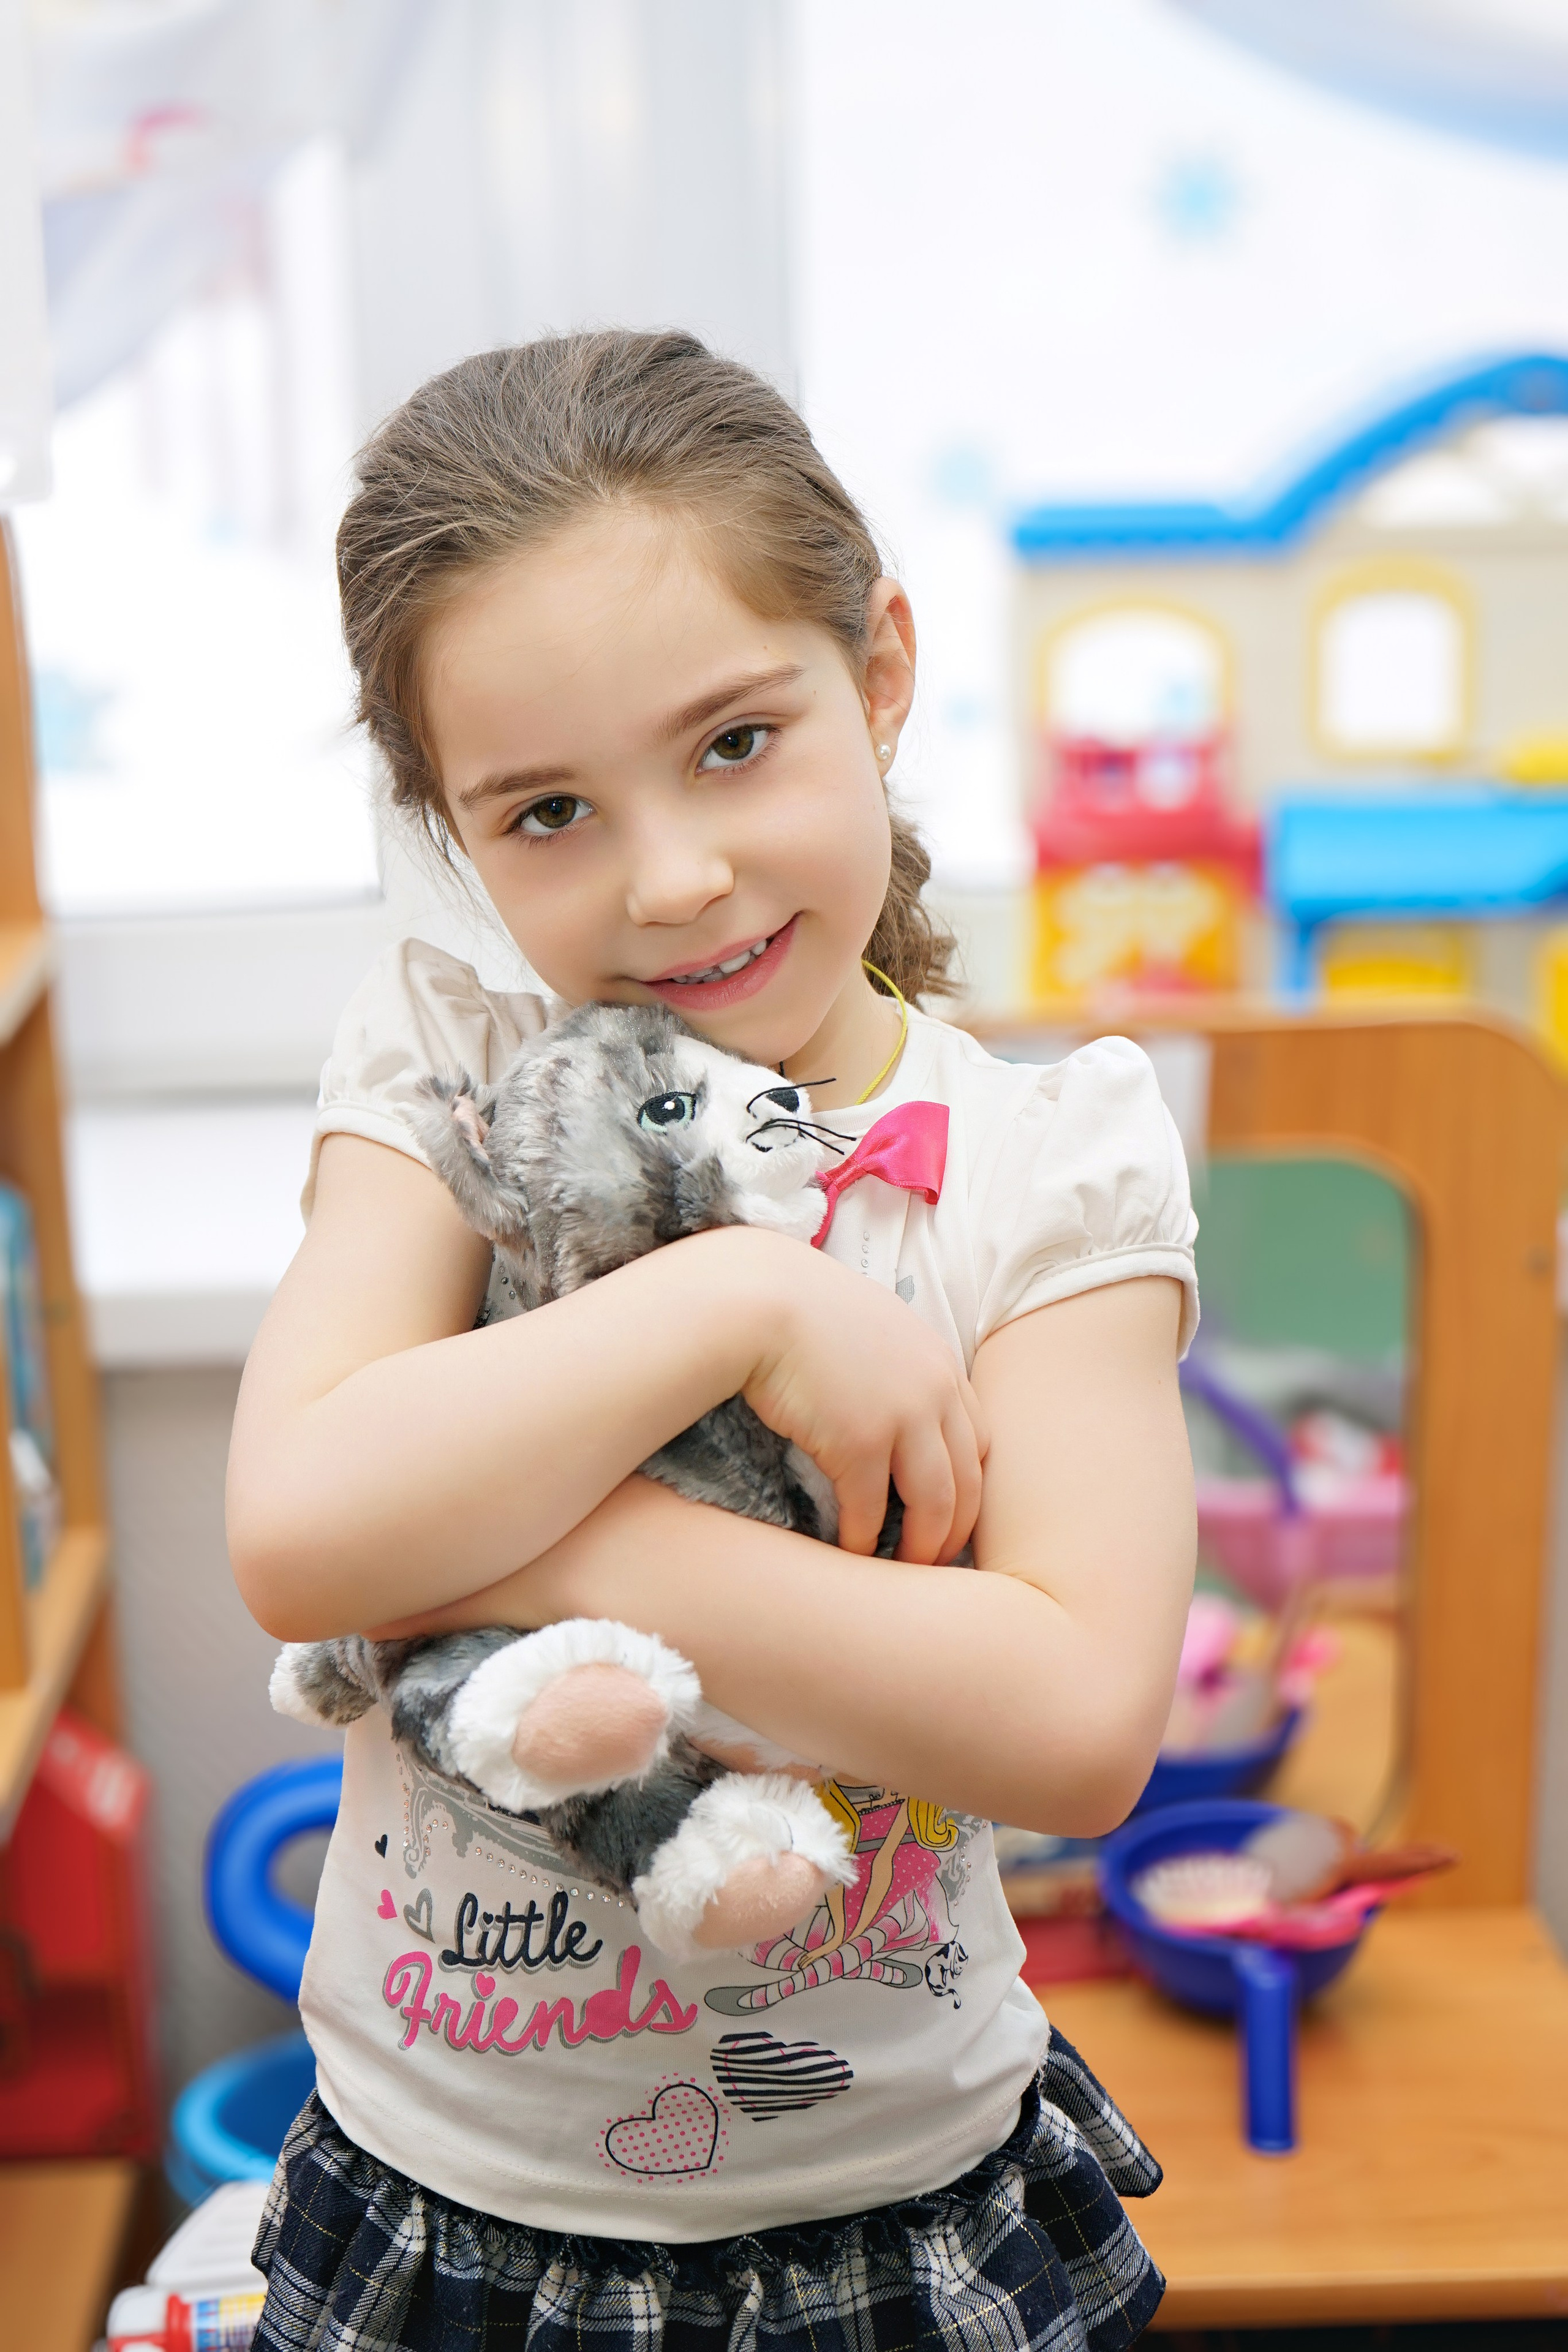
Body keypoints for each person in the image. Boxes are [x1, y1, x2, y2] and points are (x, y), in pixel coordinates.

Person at [227, 329, 1198, 2352]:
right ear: (452, 828)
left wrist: (488, 1552)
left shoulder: (1046, 1162)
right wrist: (736, 1301)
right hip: (435, 2219)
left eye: (737, 742)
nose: (674, 878)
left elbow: (1077, 1721)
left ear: (882, 669)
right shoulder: (452, 1069)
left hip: (897, 2231)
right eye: (548, 812)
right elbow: (303, 1533)